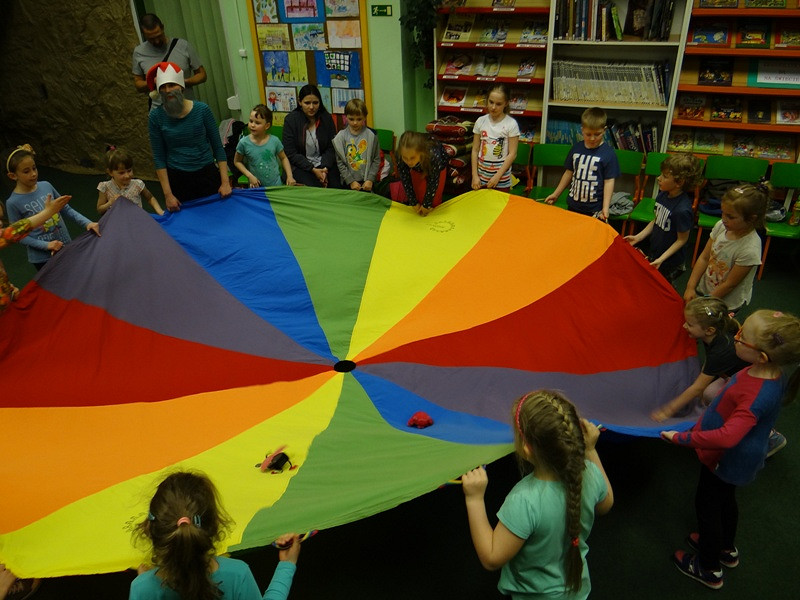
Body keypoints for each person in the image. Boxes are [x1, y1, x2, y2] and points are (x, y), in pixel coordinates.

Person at [661, 310, 800, 589]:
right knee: (725, 501)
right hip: (736, 461)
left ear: (762, 356)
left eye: (742, 337)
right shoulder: (765, 373)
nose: (734, 336)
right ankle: (726, 547)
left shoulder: (757, 394)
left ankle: (709, 568)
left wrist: (680, 439)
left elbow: (727, 438)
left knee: (708, 507)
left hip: (726, 459)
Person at [461, 390, 613, 599]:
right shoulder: (590, 473)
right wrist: (591, 451)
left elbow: (491, 558)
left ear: (527, 448)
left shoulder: (524, 501)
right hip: (577, 590)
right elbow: (606, 504)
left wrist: (474, 499)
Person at [130, 471, 300, 600]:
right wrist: (287, 565)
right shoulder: (237, 574)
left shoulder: (141, 588)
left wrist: (148, 581)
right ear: (214, 525)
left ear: (149, 530)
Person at [147, 62, 232, 211]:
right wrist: (168, 195)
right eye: (163, 87)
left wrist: (225, 182)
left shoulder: (202, 110)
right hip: (178, 179)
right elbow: (159, 158)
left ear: (181, 87)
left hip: (207, 175)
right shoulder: (156, 117)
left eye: (172, 85)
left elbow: (218, 148)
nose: (168, 91)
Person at [5, 144, 100, 271]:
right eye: (26, 171)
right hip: (43, 258)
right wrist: (47, 245)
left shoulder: (46, 186)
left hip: (65, 246)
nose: (33, 174)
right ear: (13, 176)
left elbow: (66, 209)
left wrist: (87, 223)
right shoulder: (12, 202)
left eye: (34, 168)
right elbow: (18, 236)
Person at [651, 297, 747, 422]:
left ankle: (751, 421)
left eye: (690, 324)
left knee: (709, 394)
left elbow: (698, 387)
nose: (684, 326)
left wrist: (667, 411)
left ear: (709, 330)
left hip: (746, 381)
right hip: (730, 372)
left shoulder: (720, 352)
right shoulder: (715, 334)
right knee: (706, 395)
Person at [683, 183, 768, 314]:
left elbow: (730, 284)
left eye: (730, 216)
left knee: (715, 328)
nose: (723, 219)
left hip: (726, 303)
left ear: (751, 218)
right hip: (706, 289)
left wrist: (705, 303)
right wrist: (690, 286)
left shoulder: (750, 249)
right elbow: (704, 258)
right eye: (723, 213)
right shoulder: (721, 226)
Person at [624, 153, 702, 282]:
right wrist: (639, 236)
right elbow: (657, 219)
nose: (658, 178)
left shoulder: (682, 210)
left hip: (670, 261)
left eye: (664, 176)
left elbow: (682, 240)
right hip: (657, 252)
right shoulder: (662, 195)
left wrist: (662, 258)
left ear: (679, 182)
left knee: (663, 286)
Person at [543, 107, 620, 220]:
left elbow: (609, 182)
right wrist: (556, 194)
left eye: (597, 134)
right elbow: (568, 173)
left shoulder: (608, 154)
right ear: (582, 130)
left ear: (604, 130)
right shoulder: (576, 148)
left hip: (594, 208)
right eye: (588, 134)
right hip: (573, 205)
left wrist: (605, 208)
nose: (593, 138)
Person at [1, 190, 70, 315]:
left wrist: (9, 289)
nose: (0, 223)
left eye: (0, 218)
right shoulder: (12, 204)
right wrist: (47, 213)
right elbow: (12, 233)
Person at [132, 13, 206, 111]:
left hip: (186, 109)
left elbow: (202, 75)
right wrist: (155, 82)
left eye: (159, 36)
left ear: (163, 28)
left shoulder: (183, 46)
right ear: (143, 34)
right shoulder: (139, 52)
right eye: (151, 39)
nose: (157, 41)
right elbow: (138, 84)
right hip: (159, 111)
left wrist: (182, 82)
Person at [282, 84, 340, 189]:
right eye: (307, 103)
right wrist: (312, 169)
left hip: (324, 165)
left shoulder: (326, 118)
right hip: (301, 166)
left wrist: (324, 169)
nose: (312, 107)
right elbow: (291, 153)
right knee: (314, 188)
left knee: (335, 186)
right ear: (300, 102)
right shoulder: (291, 120)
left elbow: (332, 147)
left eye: (315, 103)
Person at [471, 83, 519, 192]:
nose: (493, 107)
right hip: (481, 177)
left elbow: (512, 154)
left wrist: (497, 176)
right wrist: (475, 176)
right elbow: (475, 150)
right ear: (487, 100)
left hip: (501, 180)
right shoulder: (480, 121)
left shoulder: (511, 124)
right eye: (491, 102)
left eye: (498, 104)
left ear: (506, 103)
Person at [234, 104, 295, 188]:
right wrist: (250, 176)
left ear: (267, 126)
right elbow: (237, 161)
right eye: (251, 121)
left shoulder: (274, 141)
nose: (252, 125)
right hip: (256, 187)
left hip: (275, 186)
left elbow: (284, 158)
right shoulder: (243, 143)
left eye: (257, 123)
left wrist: (290, 176)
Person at [395, 131, 449, 217]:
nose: (409, 162)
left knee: (433, 203)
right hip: (418, 168)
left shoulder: (433, 154)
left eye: (412, 158)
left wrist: (426, 205)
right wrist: (414, 202)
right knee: (419, 199)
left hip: (438, 166)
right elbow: (405, 179)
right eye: (405, 158)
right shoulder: (399, 155)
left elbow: (433, 181)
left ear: (421, 153)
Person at [97, 147, 164, 215]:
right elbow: (100, 209)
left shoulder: (137, 184)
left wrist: (160, 211)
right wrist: (110, 203)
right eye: (121, 173)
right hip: (116, 222)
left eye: (129, 171)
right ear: (110, 172)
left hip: (135, 220)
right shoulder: (105, 187)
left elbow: (150, 198)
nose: (127, 175)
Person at [332, 98, 380, 192]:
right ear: (346, 117)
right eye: (351, 119)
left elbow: (376, 159)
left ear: (365, 117)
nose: (355, 122)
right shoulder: (340, 137)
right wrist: (350, 181)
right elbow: (340, 163)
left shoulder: (371, 136)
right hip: (348, 183)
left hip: (367, 182)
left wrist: (370, 179)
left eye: (359, 119)